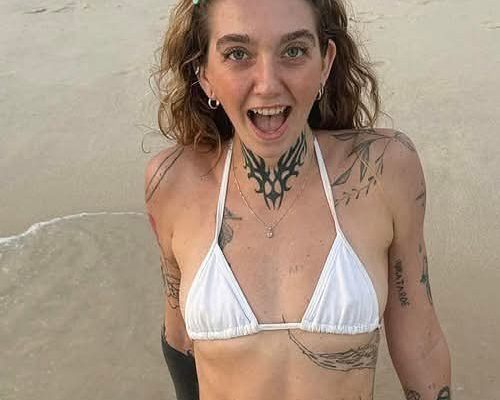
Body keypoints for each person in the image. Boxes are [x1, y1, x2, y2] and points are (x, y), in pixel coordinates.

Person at [145, 0, 451, 399]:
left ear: (325, 63)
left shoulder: (383, 170)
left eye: (293, 51)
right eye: (237, 54)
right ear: (204, 74)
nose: (268, 84)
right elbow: (179, 339)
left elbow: (421, 343)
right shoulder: (172, 182)